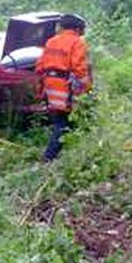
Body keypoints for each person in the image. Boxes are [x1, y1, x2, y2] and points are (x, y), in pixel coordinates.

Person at [36, 13, 92, 162]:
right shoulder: (77, 42)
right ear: (78, 29)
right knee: (63, 123)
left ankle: (63, 152)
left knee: (59, 120)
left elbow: (40, 66)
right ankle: (49, 158)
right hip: (64, 87)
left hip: (50, 86)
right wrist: (87, 88)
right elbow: (79, 68)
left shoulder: (51, 41)